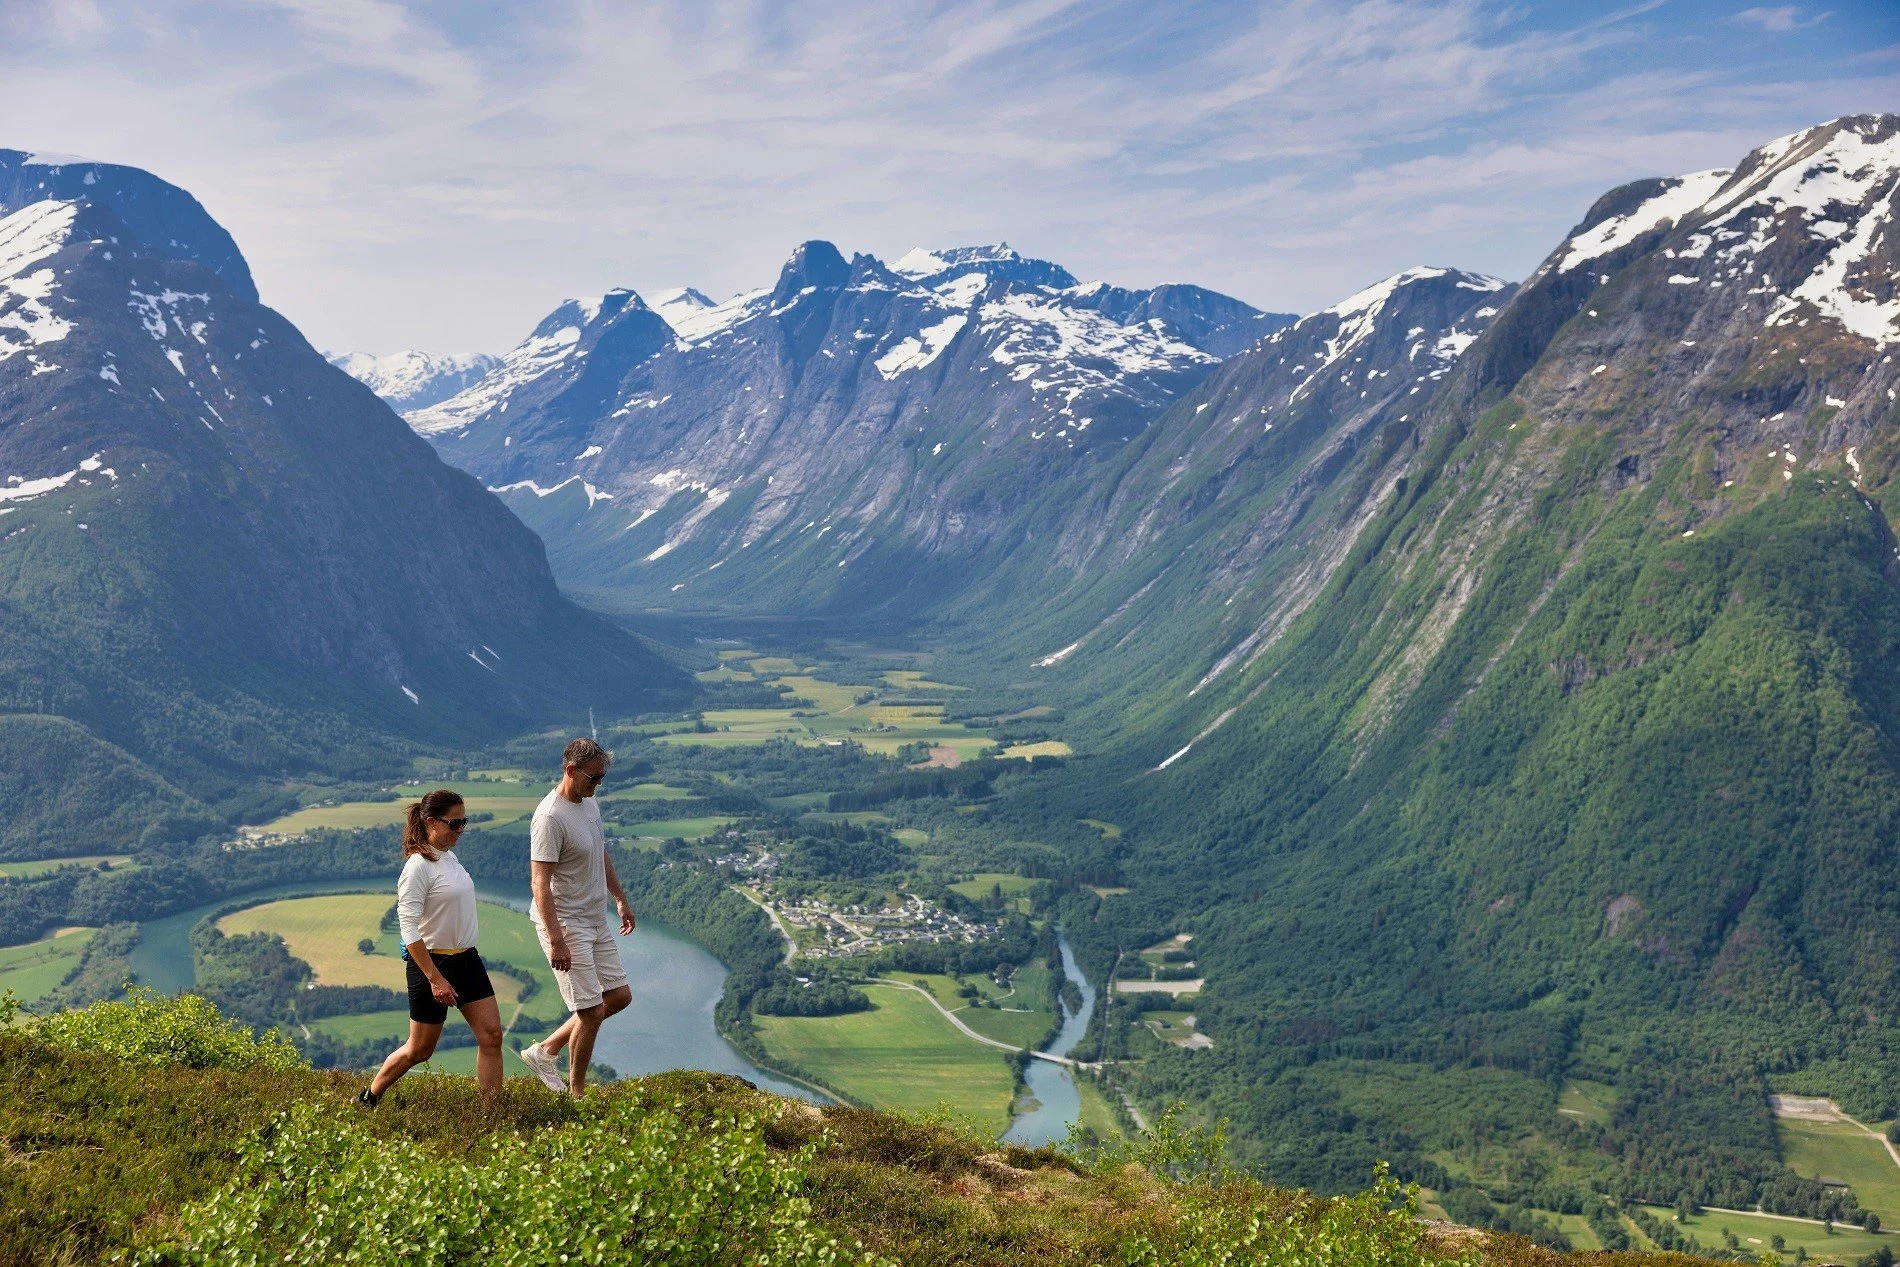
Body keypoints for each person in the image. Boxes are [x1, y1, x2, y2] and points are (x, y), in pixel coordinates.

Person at [356, 788, 503, 1106]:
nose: (461, 829)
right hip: (431, 965)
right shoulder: (417, 868)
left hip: (466, 960)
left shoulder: (449, 857)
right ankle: (370, 1096)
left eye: (465, 821)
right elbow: (408, 929)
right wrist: (436, 979)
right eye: (454, 823)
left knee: (491, 1036)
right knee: (420, 1049)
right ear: (431, 823)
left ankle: (492, 1116)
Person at [516, 738, 636, 1096]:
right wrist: (556, 940)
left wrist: (619, 898)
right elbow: (540, 883)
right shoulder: (550, 817)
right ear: (570, 771)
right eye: (594, 778)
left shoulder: (588, 802)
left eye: (601, 778)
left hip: (594, 917)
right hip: (566, 923)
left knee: (619, 996)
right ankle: (577, 1093)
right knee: (591, 1011)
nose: (598, 784)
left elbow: (599, 852)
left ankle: (545, 1052)